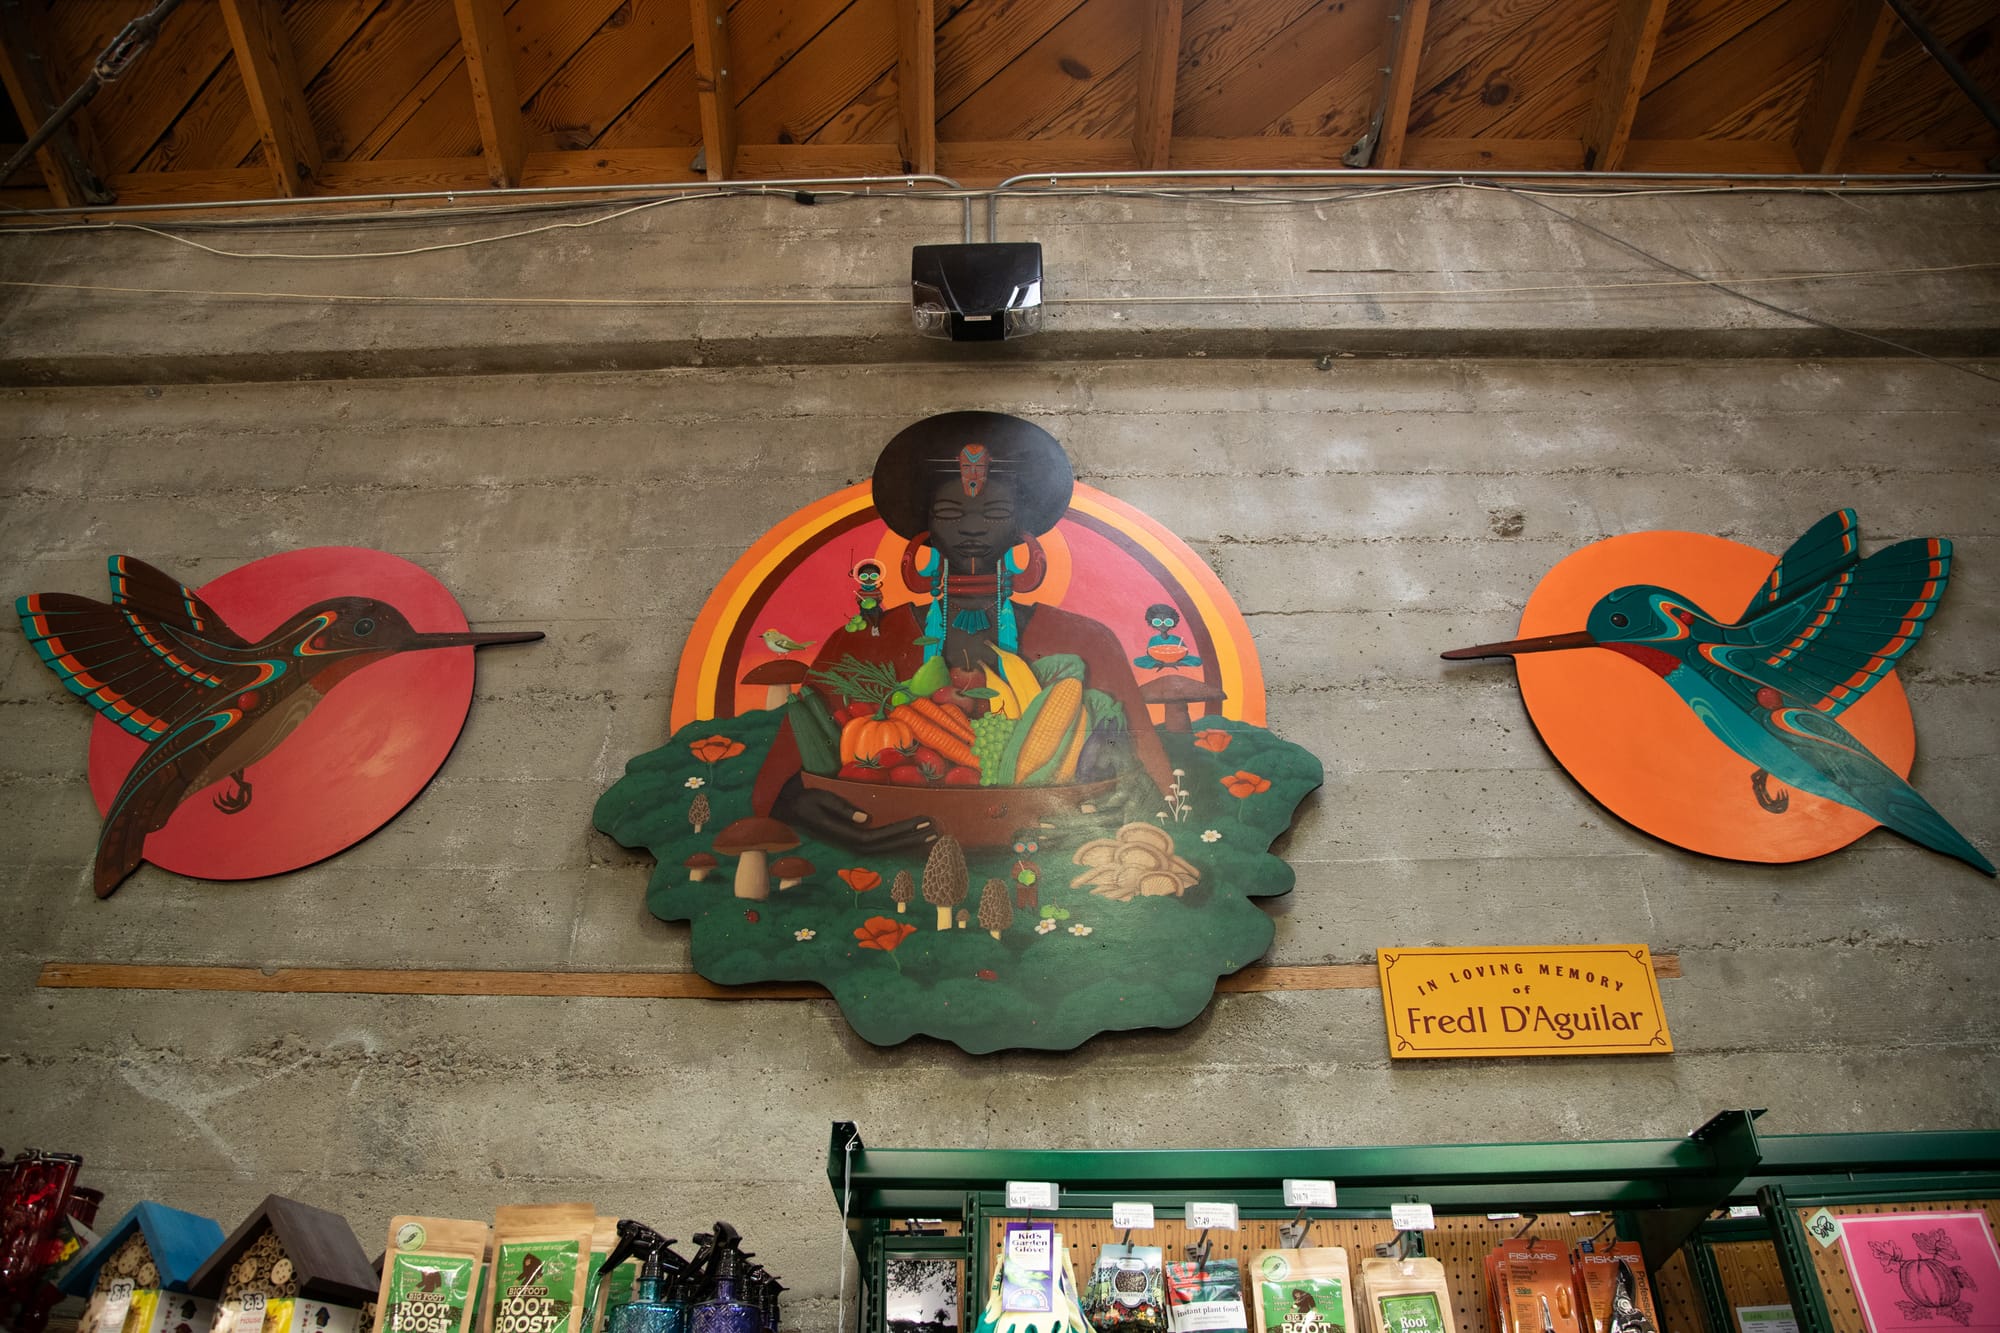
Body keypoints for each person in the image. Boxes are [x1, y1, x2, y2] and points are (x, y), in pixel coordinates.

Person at [752, 412, 1175, 850]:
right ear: (926, 530)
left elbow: (1152, 779)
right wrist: (801, 805)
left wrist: (1120, 805)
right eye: (951, 511)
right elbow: (779, 783)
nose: (972, 525)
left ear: (1021, 530)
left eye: (995, 512)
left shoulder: (1086, 640)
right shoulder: (862, 640)